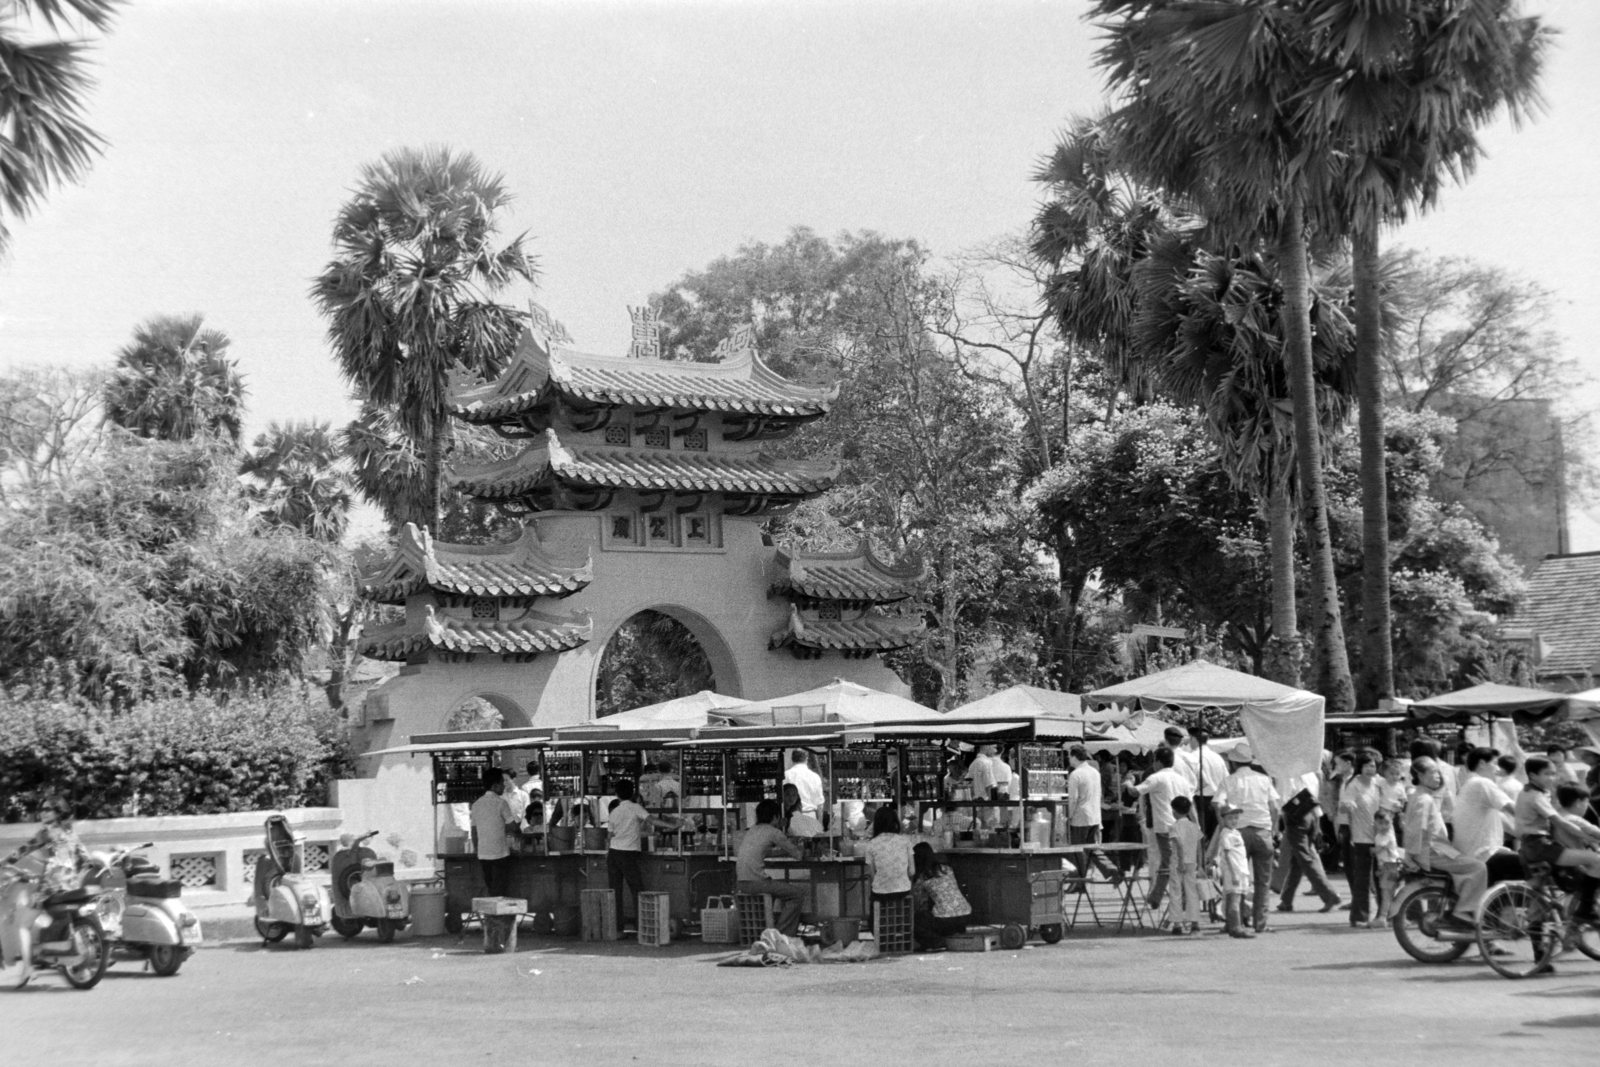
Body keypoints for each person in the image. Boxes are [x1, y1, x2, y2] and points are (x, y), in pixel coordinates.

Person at [1403, 756, 1487, 931]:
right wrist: (1410, 857)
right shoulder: (1423, 799)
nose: (1438, 776)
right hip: (1433, 852)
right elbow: (1415, 830)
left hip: (1435, 850)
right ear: (1420, 775)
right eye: (1432, 772)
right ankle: (1462, 911)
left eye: (1438, 772)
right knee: (1478, 868)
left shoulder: (1422, 795)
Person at [1514, 757, 1600, 921]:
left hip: (1527, 848)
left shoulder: (1526, 792)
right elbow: (1560, 822)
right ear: (1532, 775)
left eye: (1554, 773)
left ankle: (1538, 942)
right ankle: (1585, 909)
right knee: (1597, 860)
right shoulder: (1535, 796)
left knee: (1537, 897)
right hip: (1541, 846)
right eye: (1547, 774)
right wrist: (1586, 837)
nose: (1552, 778)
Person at [1214, 743, 1279, 934]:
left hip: (1238, 832)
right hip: (1262, 831)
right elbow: (1275, 808)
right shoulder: (1264, 779)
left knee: (1236, 880)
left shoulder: (1229, 781)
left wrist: (1224, 826)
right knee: (1263, 881)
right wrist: (1273, 830)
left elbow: (1217, 804)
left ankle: (1236, 921)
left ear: (1233, 763)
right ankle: (1261, 923)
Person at [605, 779, 681, 931]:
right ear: (632, 793)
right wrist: (672, 825)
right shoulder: (635, 808)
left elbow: (609, 836)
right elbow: (652, 820)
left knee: (615, 892)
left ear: (616, 794)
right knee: (637, 891)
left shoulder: (614, 812)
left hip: (613, 854)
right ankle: (642, 925)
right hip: (628, 854)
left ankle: (617, 929)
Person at [1276, 767, 1342, 914]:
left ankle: (1329, 894)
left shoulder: (1288, 772)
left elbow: (1283, 797)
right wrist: (1317, 824)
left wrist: (1278, 821)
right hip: (1311, 815)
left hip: (1295, 816)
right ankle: (1286, 900)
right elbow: (1315, 799)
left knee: (1305, 857)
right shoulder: (1312, 773)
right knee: (1298, 859)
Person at [734, 799, 805, 935]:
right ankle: (781, 933)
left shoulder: (752, 830)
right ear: (775, 816)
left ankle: (775, 930)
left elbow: (765, 848)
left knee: (777, 890)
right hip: (758, 883)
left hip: (741, 882)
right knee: (797, 895)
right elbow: (798, 855)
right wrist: (802, 843)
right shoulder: (773, 832)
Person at [1135, 746, 1193, 913]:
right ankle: (1157, 896)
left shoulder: (1156, 777)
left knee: (1169, 863)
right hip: (1182, 825)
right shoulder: (1181, 779)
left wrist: (1129, 782)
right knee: (1171, 862)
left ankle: (1177, 897)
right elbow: (1190, 805)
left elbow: (1135, 792)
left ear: (1158, 762)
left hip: (1164, 828)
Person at [1066, 745, 1122, 887]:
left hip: (1080, 817)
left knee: (1078, 851)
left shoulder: (1075, 775)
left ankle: (1078, 882)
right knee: (1093, 848)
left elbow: (1073, 799)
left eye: (1069, 756)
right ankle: (1111, 870)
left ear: (1074, 756)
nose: (1068, 759)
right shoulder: (1095, 772)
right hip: (1095, 815)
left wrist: (1069, 816)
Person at [1338, 750, 1383, 927]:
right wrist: (1347, 806)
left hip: (1382, 837)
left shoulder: (1379, 783)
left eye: (1373, 766)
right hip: (1361, 836)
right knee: (1362, 878)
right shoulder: (1354, 784)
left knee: (1384, 878)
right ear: (1360, 768)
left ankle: (1384, 913)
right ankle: (1359, 916)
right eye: (1366, 766)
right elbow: (1343, 807)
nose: (1370, 770)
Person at [1453, 747, 1515, 862]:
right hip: (1485, 854)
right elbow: (1514, 810)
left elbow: (1503, 819)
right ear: (1482, 763)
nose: (1497, 769)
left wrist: (1522, 833)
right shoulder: (1482, 783)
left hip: (1476, 854)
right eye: (1495, 763)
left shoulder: (1468, 785)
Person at [1552, 782, 1600, 922]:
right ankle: (1587, 908)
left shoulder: (1557, 815)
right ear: (1579, 802)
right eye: (1586, 802)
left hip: (1561, 868)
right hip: (1575, 870)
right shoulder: (1573, 819)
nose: (1587, 806)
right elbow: (1595, 832)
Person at [911, 843, 971, 951]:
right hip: (965, 915)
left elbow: (916, 903)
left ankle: (937, 942)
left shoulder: (922, 877)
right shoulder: (947, 869)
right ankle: (950, 935)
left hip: (945, 920)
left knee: (914, 921)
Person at [470, 769, 519, 898]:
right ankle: (500, 917)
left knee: (491, 888)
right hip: (500, 853)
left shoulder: (476, 805)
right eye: (501, 783)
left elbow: (474, 832)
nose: (504, 786)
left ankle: (492, 916)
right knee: (500, 889)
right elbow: (513, 826)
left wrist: (477, 849)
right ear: (494, 785)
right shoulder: (501, 803)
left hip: (483, 854)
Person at [1207, 803, 1253, 938]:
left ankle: (1229, 925)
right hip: (1234, 872)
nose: (1234, 821)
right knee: (1235, 900)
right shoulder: (1226, 835)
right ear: (1223, 820)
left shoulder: (1235, 833)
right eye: (1230, 818)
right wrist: (1234, 874)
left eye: (1236, 818)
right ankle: (1236, 927)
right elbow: (1227, 856)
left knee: (1233, 898)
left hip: (1240, 870)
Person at [861, 805, 916, 919]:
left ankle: (879, 927)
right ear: (895, 822)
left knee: (874, 915)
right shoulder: (905, 841)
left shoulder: (871, 844)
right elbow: (912, 871)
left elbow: (872, 875)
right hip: (903, 891)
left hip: (880, 893)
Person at [1175, 725, 1227, 838]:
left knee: (1198, 839)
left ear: (1193, 739)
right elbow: (1226, 781)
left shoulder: (1191, 757)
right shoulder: (1218, 758)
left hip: (1199, 802)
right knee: (1214, 840)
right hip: (1218, 801)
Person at [1166, 795, 1204, 934]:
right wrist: (1200, 865)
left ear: (1174, 811)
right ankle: (1195, 922)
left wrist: (1181, 861)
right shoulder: (1194, 826)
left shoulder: (1174, 826)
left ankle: (1177, 923)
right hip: (1192, 861)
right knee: (1192, 892)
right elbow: (1199, 846)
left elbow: (1179, 845)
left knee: (1176, 892)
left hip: (1178, 862)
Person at [784, 750, 825, 816]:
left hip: (791, 816)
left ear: (792, 759)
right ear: (806, 758)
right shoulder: (815, 777)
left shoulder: (786, 775)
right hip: (810, 815)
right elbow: (820, 804)